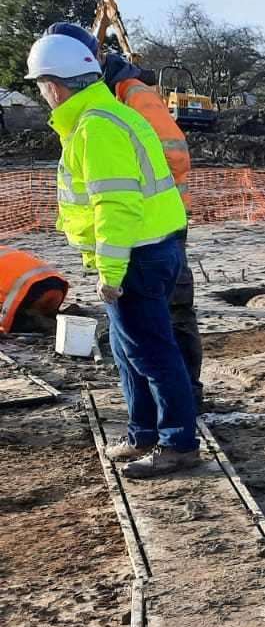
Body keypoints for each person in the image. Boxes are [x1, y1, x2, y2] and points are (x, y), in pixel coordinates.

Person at [25, 33, 197, 478]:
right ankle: (143, 431)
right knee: (127, 350)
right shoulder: (104, 117)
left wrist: (112, 271)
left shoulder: (98, 128)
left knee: (153, 353)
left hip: (137, 256)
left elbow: (115, 206)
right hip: (151, 249)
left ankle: (178, 442)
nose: (42, 95)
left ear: (55, 86)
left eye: (41, 86)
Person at [48, 22, 202, 405]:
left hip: (152, 230)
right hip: (139, 228)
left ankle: (183, 409)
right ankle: (154, 422)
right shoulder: (100, 103)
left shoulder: (125, 98)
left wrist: (147, 203)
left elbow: (164, 161)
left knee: (165, 329)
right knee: (135, 341)